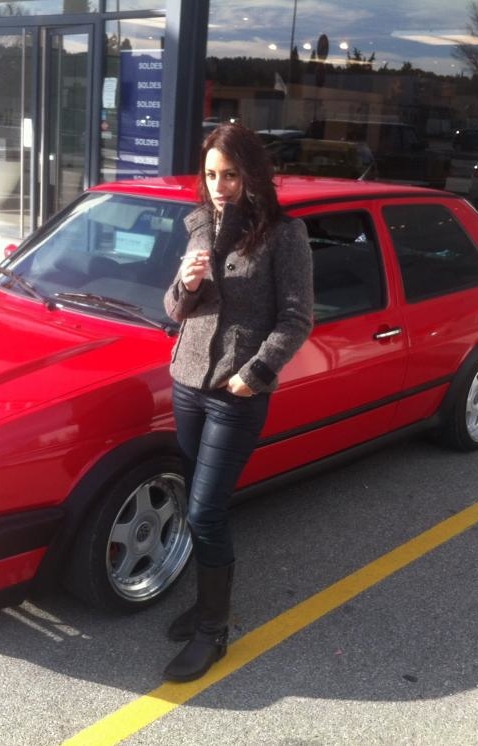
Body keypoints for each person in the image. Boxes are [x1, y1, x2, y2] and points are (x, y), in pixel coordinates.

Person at [162, 123, 314, 682]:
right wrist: (185, 284)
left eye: (230, 174)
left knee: (207, 510)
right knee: (194, 504)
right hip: (188, 382)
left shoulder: (283, 235)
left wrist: (256, 373)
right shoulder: (200, 226)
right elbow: (176, 311)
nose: (220, 185)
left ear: (252, 174)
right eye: (211, 174)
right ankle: (206, 603)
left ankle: (213, 630)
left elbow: (296, 318)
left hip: (236, 391)